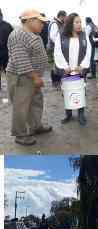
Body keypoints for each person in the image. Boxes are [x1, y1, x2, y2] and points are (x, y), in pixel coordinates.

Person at [6, 9, 51, 146]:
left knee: (36, 102)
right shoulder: (18, 34)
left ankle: (35, 126)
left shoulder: (31, 33)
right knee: (22, 106)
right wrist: (35, 77)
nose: (42, 25)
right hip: (22, 77)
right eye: (40, 22)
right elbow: (21, 60)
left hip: (32, 77)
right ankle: (20, 135)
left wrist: (37, 77)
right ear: (30, 20)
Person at [54, 13, 91, 126]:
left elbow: (88, 51)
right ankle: (68, 114)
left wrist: (83, 66)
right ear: (70, 23)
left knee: (80, 91)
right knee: (67, 91)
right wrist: (65, 67)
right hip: (67, 70)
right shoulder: (61, 35)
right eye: (77, 22)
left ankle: (81, 114)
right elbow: (58, 52)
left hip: (79, 70)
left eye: (80, 22)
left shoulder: (84, 35)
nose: (79, 24)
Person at [48, 10, 67, 88]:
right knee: (55, 66)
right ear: (61, 16)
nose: (66, 18)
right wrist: (61, 44)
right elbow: (53, 37)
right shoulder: (55, 24)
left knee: (58, 65)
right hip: (53, 48)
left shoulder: (60, 23)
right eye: (65, 17)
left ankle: (58, 82)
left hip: (57, 48)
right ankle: (55, 82)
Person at [0, 9, 13, 92]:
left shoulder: (7, 25)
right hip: (5, 52)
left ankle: (11, 87)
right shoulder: (7, 25)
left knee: (8, 71)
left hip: (6, 52)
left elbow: (12, 39)